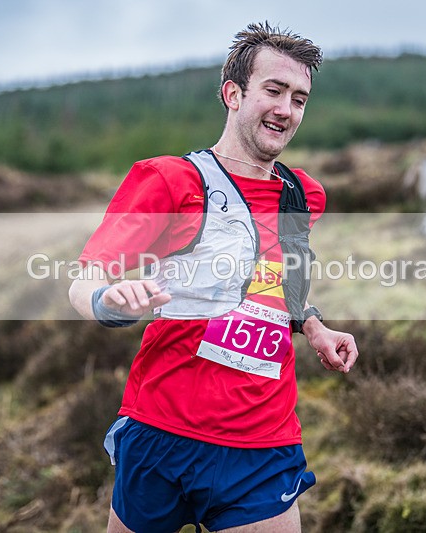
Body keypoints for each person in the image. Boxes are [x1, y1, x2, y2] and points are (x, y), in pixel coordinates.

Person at [69, 21, 358, 533]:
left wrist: (312, 325)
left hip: (263, 441)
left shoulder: (303, 195)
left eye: (299, 98)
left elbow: (275, 282)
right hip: (162, 430)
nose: (286, 109)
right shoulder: (168, 181)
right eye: (273, 90)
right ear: (232, 93)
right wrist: (109, 299)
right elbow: (84, 279)